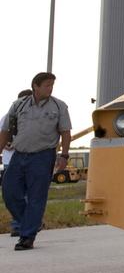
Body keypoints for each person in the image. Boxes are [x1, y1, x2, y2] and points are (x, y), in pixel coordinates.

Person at [1, 73, 72, 250]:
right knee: (9, 192)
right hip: (19, 155)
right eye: (47, 85)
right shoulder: (19, 105)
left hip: (43, 156)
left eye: (52, 85)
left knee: (36, 197)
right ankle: (32, 222)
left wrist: (64, 155)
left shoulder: (59, 106)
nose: (50, 88)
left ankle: (27, 237)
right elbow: (5, 130)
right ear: (35, 86)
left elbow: (65, 132)